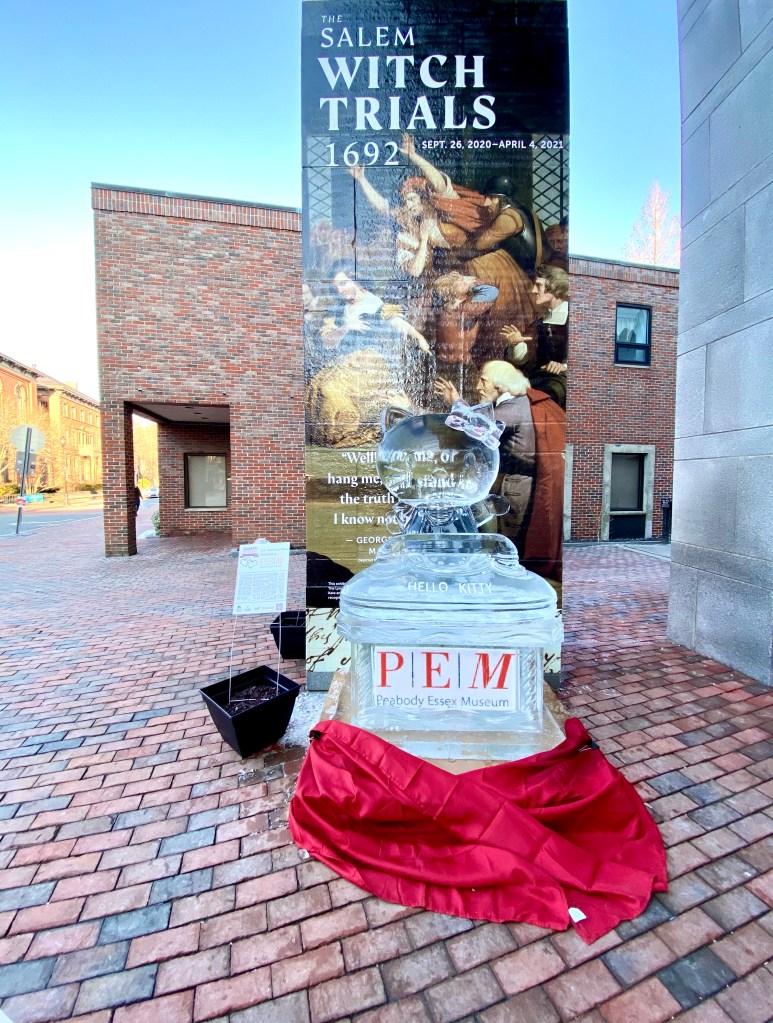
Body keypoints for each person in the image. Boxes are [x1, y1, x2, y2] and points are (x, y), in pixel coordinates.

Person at [435, 361, 565, 580]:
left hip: (517, 491)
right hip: (517, 486)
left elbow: (473, 427)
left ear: (500, 384)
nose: (478, 387)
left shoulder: (514, 408)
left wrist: (456, 402)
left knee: (509, 551)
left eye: (483, 381)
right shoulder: (521, 403)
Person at [502, 264, 568, 408]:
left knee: (547, 395)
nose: (533, 290)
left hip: (561, 383)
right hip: (538, 378)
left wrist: (564, 366)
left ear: (555, 287)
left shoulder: (575, 318)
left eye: (539, 285)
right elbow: (526, 358)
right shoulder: (538, 323)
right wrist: (516, 344)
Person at [430, 272, 498, 403]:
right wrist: (473, 283)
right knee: (471, 402)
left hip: (443, 364)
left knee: (445, 402)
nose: (464, 280)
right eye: (459, 280)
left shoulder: (447, 308)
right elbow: (492, 291)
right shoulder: (465, 308)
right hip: (460, 366)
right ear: (453, 290)